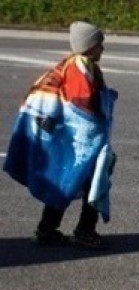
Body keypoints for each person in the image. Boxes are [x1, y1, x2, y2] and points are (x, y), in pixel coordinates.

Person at [4, 21, 115, 250]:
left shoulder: (77, 65)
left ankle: (46, 230)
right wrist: (95, 138)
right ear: (89, 46)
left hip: (69, 139)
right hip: (80, 141)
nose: (102, 49)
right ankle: (84, 231)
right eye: (99, 44)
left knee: (65, 181)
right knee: (92, 180)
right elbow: (81, 108)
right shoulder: (79, 68)